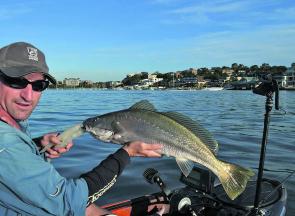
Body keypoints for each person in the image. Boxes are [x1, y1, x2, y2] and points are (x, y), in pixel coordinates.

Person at [0, 42, 163, 216]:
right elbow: (69, 201)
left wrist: (39, 146)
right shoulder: (5, 143)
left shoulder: (12, 127)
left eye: (39, 85)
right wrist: (126, 153)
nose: (28, 96)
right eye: (16, 81)